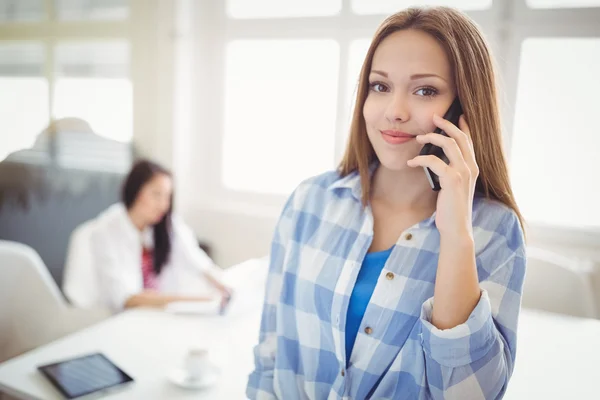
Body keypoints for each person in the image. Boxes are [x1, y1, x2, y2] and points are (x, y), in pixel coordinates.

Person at [247, 6, 526, 400]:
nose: (394, 111)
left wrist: (457, 237)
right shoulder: (310, 203)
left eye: (425, 90)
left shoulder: (495, 232)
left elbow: (471, 393)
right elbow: (270, 358)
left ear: (465, 110)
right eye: (380, 86)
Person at [64, 159, 231, 312]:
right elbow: (124, 298)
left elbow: (199, 263)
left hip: (160, 312)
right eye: (156, 195)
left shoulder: (167, 225)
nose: (163, 205)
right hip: (129, 317)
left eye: (167, 196)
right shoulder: (105, 232)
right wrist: (197, 301)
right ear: (135, 191)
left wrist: (224, 287)